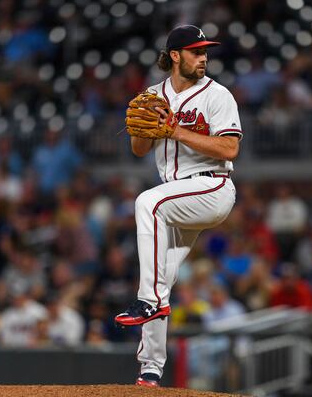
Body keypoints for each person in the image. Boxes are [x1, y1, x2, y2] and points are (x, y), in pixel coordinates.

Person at [114, 24, 242, 387]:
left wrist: (176, 131)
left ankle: (148, 300)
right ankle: (150, 370)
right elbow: (139, 150)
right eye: (196, 51)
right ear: (175, 55)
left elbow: (230, 149)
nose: (203, 57)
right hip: (175, 198)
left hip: (212, 186)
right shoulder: (154, 95)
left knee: (147, 202)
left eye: (205, 51)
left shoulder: (218, 95)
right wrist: (144, 128)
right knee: (161, 275)